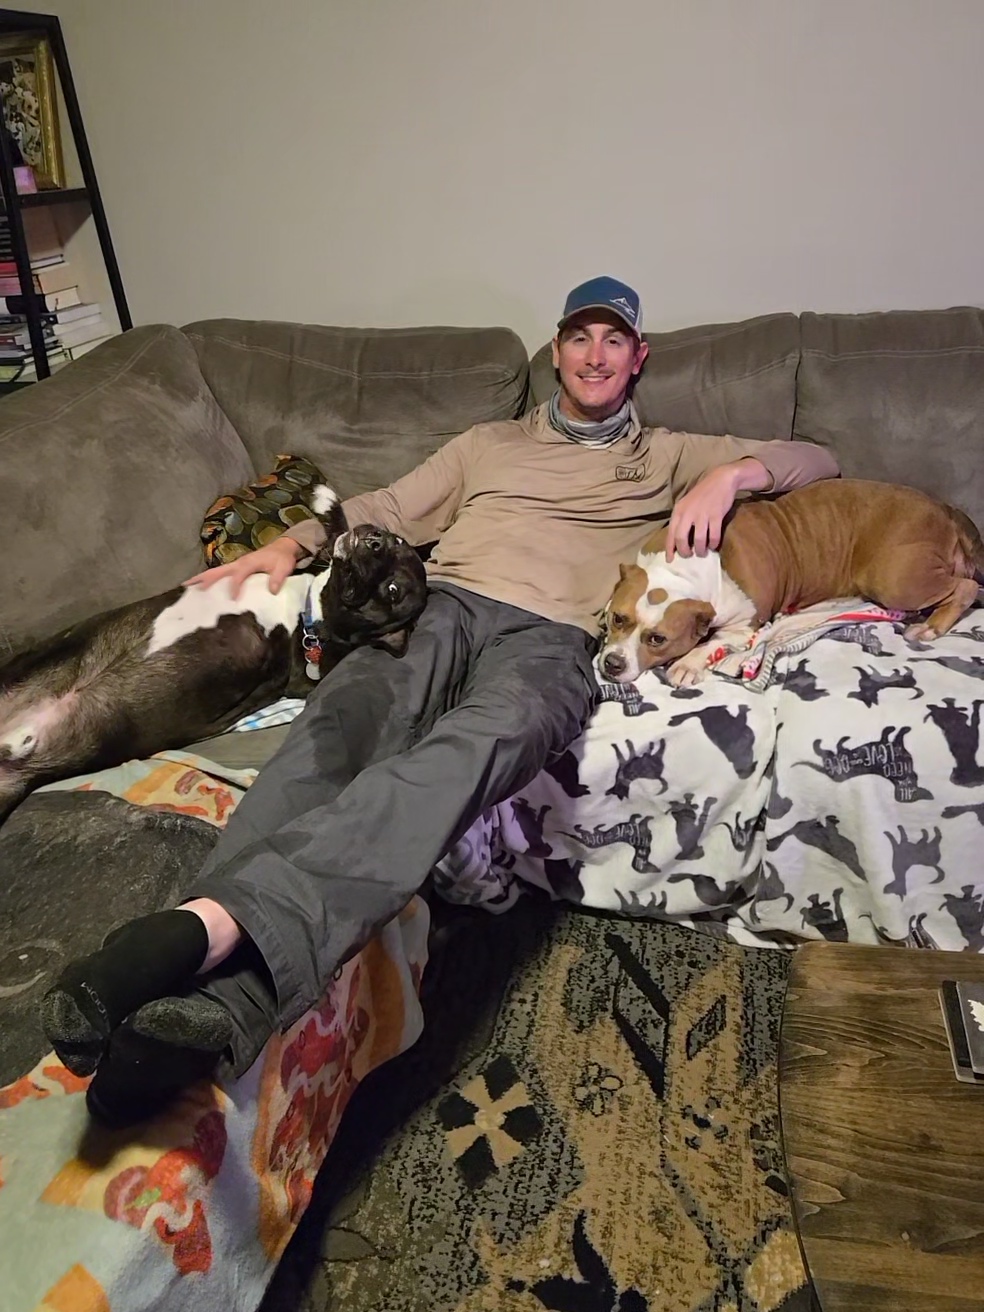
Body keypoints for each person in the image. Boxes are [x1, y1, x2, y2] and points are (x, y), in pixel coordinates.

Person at [42, 277, 840, 1124]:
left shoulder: (673, 452)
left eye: (615, 340)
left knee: (465, 752)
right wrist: (289, 542)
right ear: (557, 352)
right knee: (336, 732)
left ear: (637, 358)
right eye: (580, 338)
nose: (596, 355)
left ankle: (197, 949)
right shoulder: (489, 442)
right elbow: (388, 504)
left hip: (551, 641)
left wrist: (732, 478)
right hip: (444, 610)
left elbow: (820, 459)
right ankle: (207, 1010)